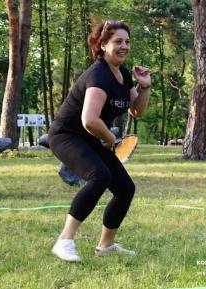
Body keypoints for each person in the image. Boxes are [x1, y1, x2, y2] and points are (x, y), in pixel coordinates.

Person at [49, 20, 151, 262]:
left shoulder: (123, 75)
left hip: (92, 137)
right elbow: (89, 120)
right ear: (103, 45)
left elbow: (137, 111)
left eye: (127, 41)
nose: (124, 46)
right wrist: (110, 138)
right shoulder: (98, 75)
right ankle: (64, 240)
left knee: (125, 188)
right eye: (117, 41)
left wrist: (144, 87)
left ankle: (106, 245)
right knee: (100, 176)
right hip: (67, 135)